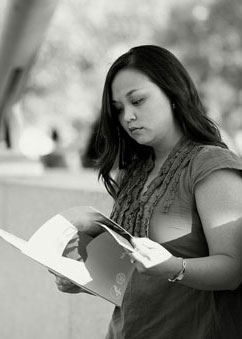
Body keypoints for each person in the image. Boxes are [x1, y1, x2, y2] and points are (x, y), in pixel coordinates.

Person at [53, 45, 242, 339]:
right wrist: (82, 278)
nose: (128, 116)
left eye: (138, 100)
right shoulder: (134, 169)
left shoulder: (210, 164)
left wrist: (174, 268)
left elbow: (233, 270)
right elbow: (131, 278)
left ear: (174, 94)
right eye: (118, 109)